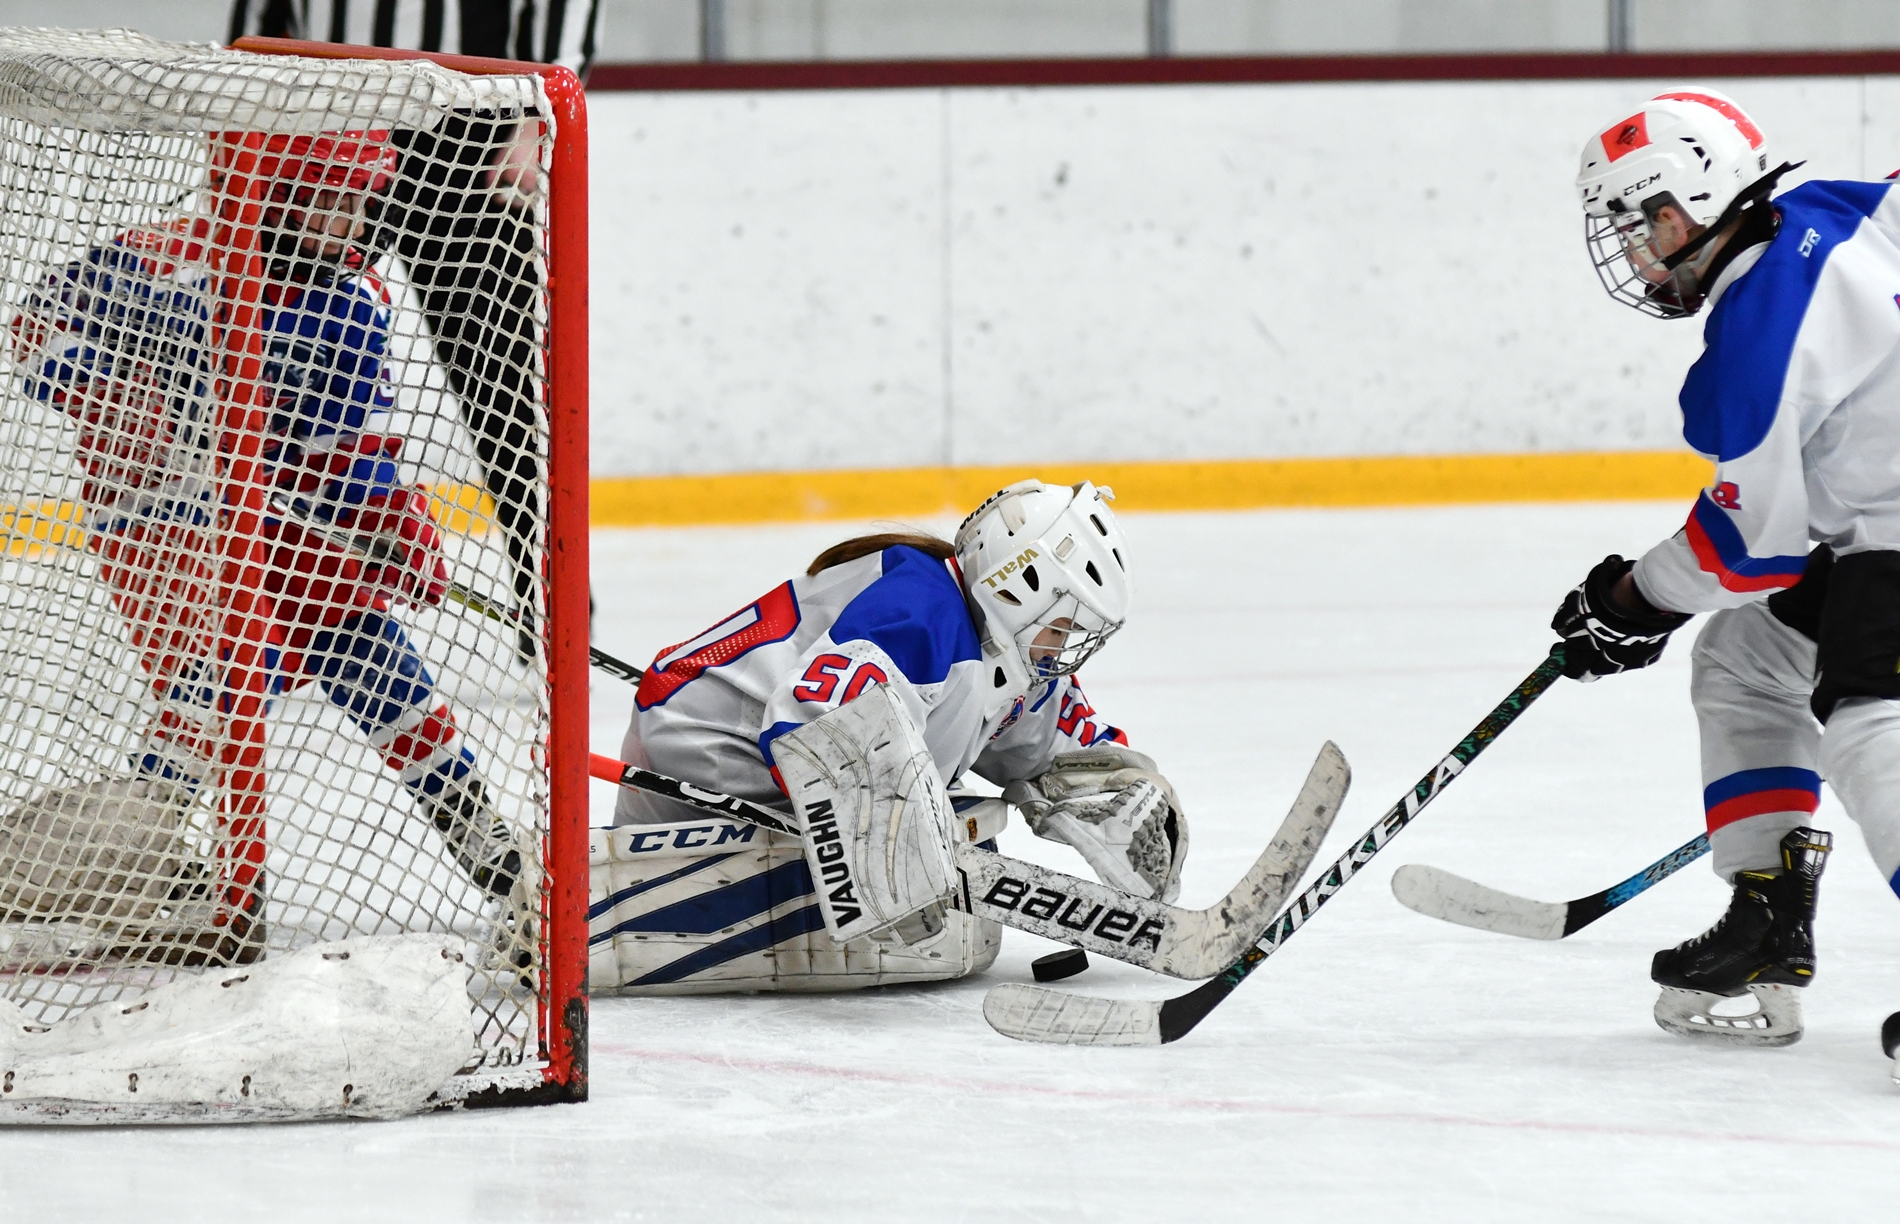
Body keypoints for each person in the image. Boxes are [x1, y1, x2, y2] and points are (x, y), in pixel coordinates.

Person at [1, 131, 530, 967]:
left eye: (360, 202)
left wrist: (397, 531)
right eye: (331, 202)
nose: (350, 222)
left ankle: (496, 861)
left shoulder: (348, 305)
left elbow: (350, 452)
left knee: (382, 672)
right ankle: (106, 861)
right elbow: (32, 332)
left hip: (295, 527)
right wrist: (107, 385)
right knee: (225, 686)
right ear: (273, 196)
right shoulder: (156, 263)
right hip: (165, 528)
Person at [1553, 86, 1900, 1052]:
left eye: (1636, 226)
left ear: (1682, 209)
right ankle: (1767, 914)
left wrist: (1630, 600)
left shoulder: (1756, 340)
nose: (1632, 253)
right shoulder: (1838, 206)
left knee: (1871, 724)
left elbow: (1750, 548)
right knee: (1750, 658)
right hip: (1882, 527)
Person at [590, 479, 1192, 993]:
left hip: (736, 743)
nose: (1068, 645)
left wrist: (1119, 794)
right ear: (1019, 585)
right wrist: (888, 843)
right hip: (699, 750)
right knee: (918, 868)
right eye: (1065, 622)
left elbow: (1061, 746)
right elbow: (813, 719)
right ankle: (608, 912)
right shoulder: (924, 611)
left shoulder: (1009, 653)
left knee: (954, 856)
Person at [229, 0, 603, 662]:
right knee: (266, 366)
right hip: (327, 125)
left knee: (501, 392)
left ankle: (554, 607)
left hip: (468, 132)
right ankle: (259, 604)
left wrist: (538, 112)